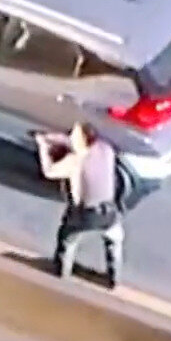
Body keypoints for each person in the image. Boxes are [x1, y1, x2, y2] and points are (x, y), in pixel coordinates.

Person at [34, 122, 124, 289]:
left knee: (67, 239)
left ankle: (62, 273)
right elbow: (70, 142)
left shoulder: (75, 160)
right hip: (109, 212)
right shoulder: (106, 149)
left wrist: (42, 146)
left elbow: (49, 171)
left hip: (86, 214)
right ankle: (114, 279)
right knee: (114, 241)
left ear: (81, 142)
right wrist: (50, 136)